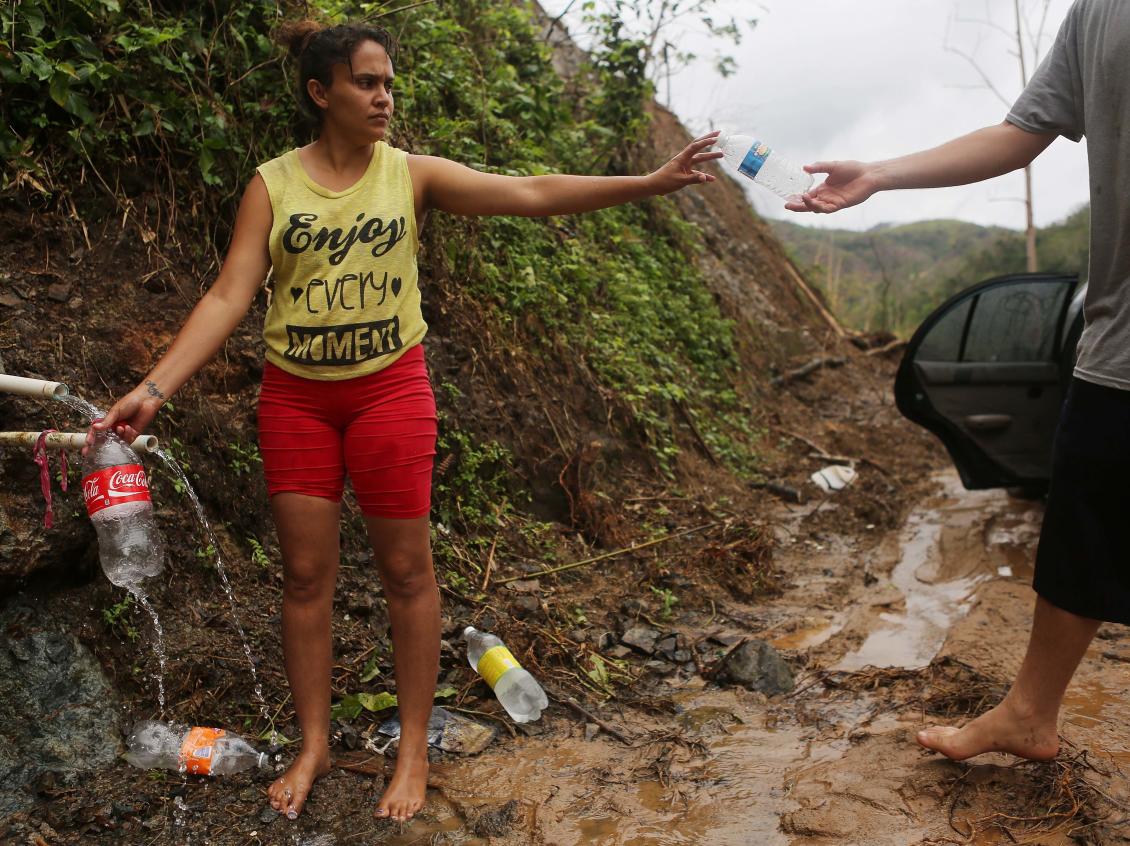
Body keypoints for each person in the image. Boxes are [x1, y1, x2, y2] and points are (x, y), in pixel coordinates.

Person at [90, 19, 721, 823]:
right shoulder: (273, 185)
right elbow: (228, 294)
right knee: (306, 579)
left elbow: (528, 192)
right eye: (366, 82)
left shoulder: (410, 175)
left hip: (391, 394)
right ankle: (314, 743)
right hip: (298, 401)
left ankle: (414, 748)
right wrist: (155, 387)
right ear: (321, 93)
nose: (384, 97)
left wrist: (650, 181)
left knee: (407, 574)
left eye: (388, 82)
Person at [788, 0, 1129, 763]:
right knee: (1080, 529)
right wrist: (879, 173)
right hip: (1120, 342)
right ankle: (1029, 714)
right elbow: (1020, 133)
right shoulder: (1096, 12)